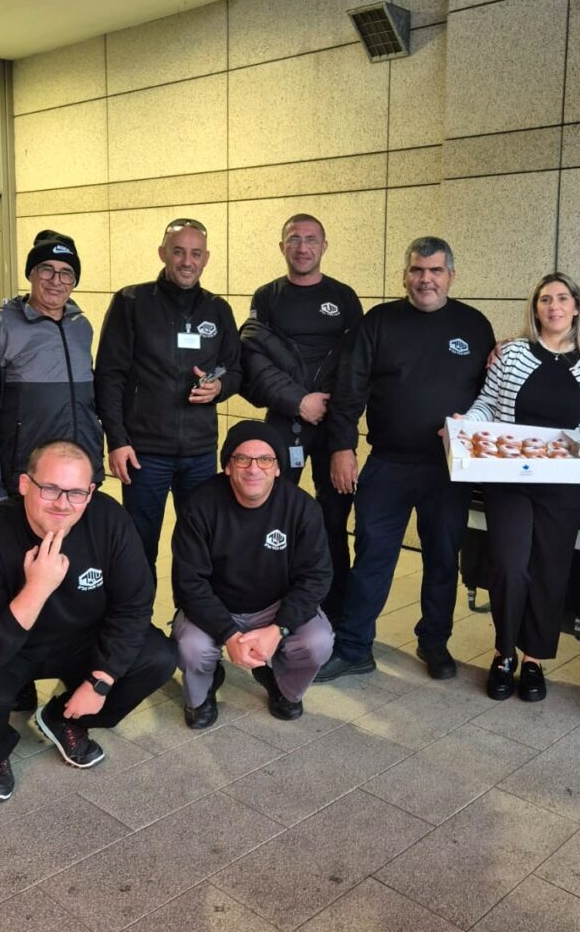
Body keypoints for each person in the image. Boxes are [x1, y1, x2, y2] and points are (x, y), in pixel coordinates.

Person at [0, 440, 177, 803]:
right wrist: (36, 589)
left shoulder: (110, 521)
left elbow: (133, 606)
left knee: (157, 657)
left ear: (90, 493)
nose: (62, 503)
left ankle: (64, 717)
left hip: (78, 639)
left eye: (75, 493)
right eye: (50, 488)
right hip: (6, 647)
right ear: (25, 484)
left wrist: (100, 681)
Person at [315, 236, 495, 683]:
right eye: (417, 270)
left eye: (435, 270)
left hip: (448, 468)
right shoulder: (379, 322)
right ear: (404, 276)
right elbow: (350, 388)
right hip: (387, 465)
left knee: (442, 559)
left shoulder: (474, 326)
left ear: (451, 276)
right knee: (372, 558)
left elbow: (490, 396)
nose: (425, 279)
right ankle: (354, 647)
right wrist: (342, 447)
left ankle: (434, 642)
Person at [460, 272, 580, 702]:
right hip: (510, 481)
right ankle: (503, 652)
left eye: (562, 298)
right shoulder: (512, 354)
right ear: (535, 307)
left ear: (576, 307)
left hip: (562, 485)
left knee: (549, 572)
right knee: (509, 565)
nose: (553, 306)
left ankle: (533, 659)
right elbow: (488, 403)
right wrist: (466, 424)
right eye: (545, 299)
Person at [95, 217, 241, 578]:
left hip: (200, 452)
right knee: (138, 546)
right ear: (163, 254)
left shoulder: (218, 309)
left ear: (206, 258)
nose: (187, 261)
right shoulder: (132, 301)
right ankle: (137, 612)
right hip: (144, 452)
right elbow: (109, 376)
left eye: (195, 253)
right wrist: (117, 440)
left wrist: (220, 387)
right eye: (178, 252)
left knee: (199, 545)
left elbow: (235, 370)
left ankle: (190, 610)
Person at [239, 213, 362, 621]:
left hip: (334, 425)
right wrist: (299, 401)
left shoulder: (344, 297)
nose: (303, 247)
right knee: (271, 513)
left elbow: (357, 367)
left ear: (324, 246)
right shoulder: (267, 297)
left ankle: (334, 609)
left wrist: (340, 429)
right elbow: (255, 361)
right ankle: (272, 604)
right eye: (294, 239)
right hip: (284, 421)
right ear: (282, 247)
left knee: (334, 519)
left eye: (311, 239)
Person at [171, 421, 334, 727]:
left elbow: (316, 577)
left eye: (265, 460)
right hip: (217, 605)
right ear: (228, 466)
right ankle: (202, 693)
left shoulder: (301, 507)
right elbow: (189, 582)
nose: (253, 469)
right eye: (242, 459)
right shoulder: (200, 506)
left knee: (318, 642)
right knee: (191, 648)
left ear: (278, 468)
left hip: (274, 605)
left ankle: (284, 686)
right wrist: (229, 635)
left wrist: (279, 629)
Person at [0, 229, 103, 510]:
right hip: (26, 479)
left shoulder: (81, 327)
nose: (56, 280)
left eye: (66, 273)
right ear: (31, 274)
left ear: (74, 282)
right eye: (46, 269)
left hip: (77, 478)